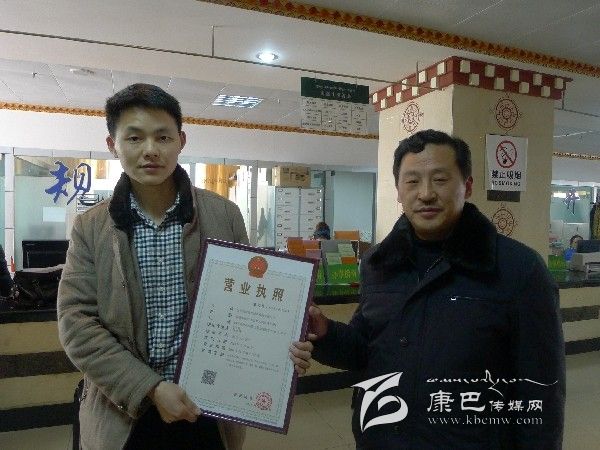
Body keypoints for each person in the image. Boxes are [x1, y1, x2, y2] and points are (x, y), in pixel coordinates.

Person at [57, 84, 312, 450]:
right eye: (134, 138)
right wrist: (150, 388)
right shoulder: (92, 227)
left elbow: (251, 305)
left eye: (163, 137)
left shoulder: (223, 215)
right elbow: (76, 324)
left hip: (207, 408)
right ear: (113, 145)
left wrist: (281, 346)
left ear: (181, 141)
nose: (150, 150)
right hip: (124, 413)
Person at [305, 129, 565, 449]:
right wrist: (326, 333)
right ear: (398, 191)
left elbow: (541, 392)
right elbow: (367, 349)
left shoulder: (519, 270)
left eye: (440, 180)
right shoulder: (379, 264)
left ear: (467, 186)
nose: (426, 194)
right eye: (412, 181)